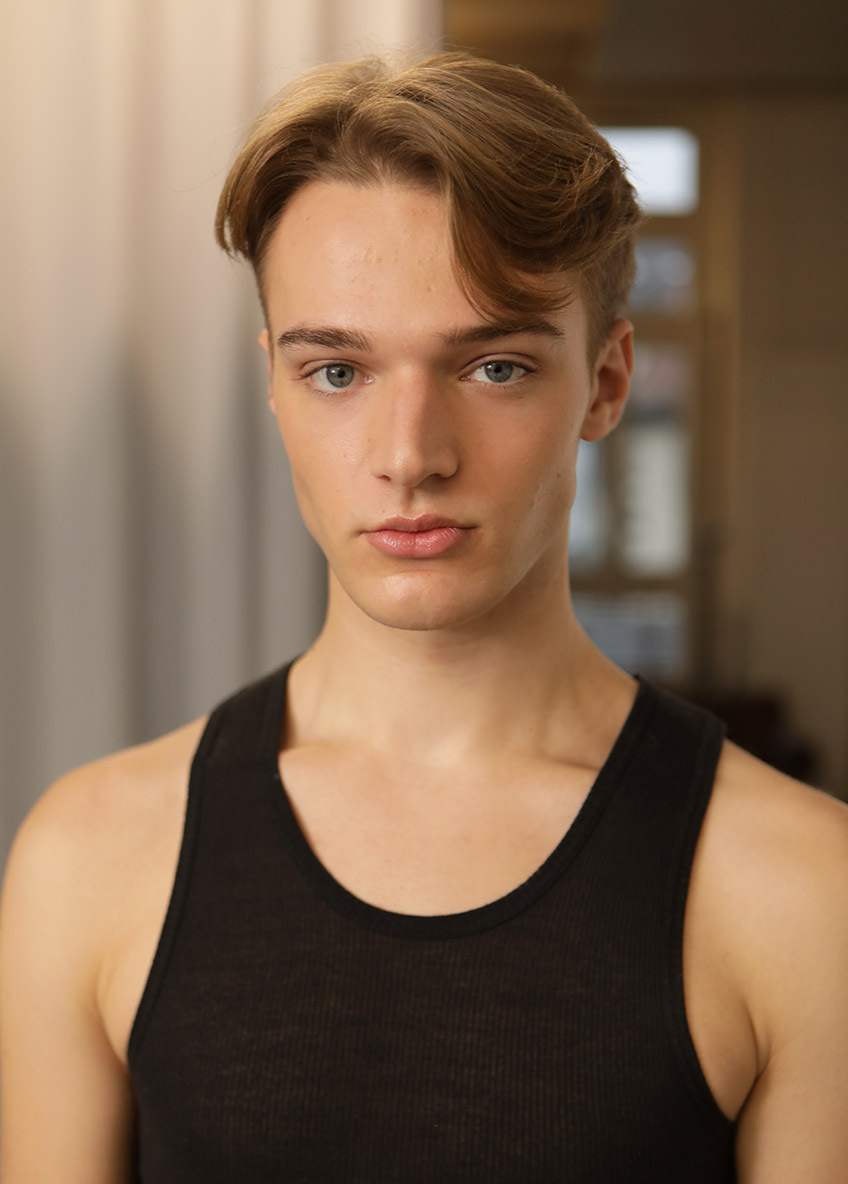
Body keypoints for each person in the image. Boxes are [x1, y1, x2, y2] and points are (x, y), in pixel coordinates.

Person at [1, 51, 847, 1184]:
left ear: (605, 383)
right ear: (273, 382)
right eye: (337, 372)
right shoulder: (90, 857)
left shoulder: (800, 894)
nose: (410, 455)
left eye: (493, 367)